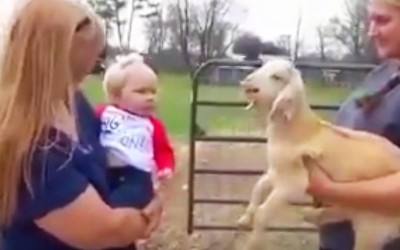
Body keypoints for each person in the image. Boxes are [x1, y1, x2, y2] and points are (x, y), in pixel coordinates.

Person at [0, 0, 162, 249]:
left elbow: (110, 161)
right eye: (92, 58)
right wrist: (145, 216)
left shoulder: (72, 101)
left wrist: (140, 187)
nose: (95, 66)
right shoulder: (30, 145)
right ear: (65, 55)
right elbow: (104, 230)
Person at [304, 0, 400, 249]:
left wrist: (329, 189)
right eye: (370, 20)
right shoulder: (382, 74)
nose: (371, 30)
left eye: (382, 20)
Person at [94, 53, 175, 209]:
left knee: (122, 202)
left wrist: (166, 167)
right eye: (141, 92)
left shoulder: (152, 125)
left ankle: (109, 219)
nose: (150, 97)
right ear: (115, 95)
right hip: (104, 171)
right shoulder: (103, 114)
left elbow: (163, 151)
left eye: (153, 92)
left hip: (137, 176)